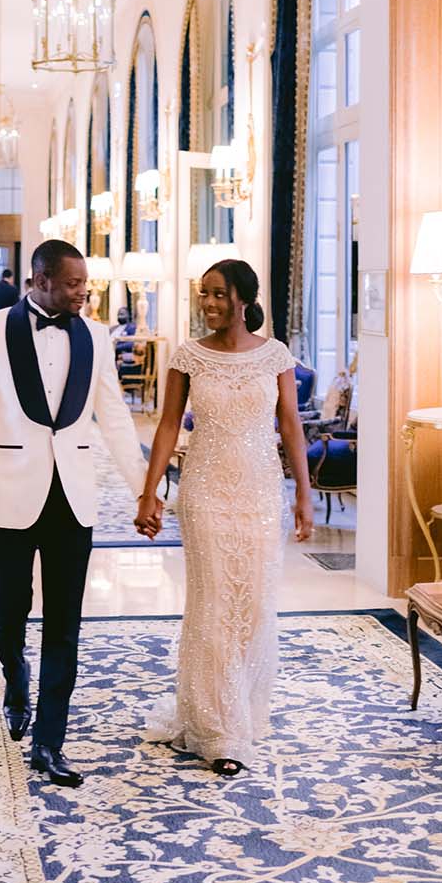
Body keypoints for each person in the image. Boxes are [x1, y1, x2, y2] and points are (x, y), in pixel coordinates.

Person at [0, 240, 161, 788]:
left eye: (85, 282)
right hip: (9, 495)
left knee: (65, 625)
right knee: (6, 613)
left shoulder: (93, 335)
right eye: (72, 283)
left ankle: (49, 742)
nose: (83, 291)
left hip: (74, 499)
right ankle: (16, 681)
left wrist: (144, 492)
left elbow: (112, 416)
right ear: (39, 281)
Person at [136, 259, 312, 778]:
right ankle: (218, 729)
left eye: (218, 294)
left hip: (260, 493)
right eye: (203, 294)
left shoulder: (275, 356)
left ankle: (243, 708)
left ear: (244, 298)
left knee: (254, 604)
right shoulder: (188, 356)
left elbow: (291, 427)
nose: (208, 303)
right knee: (214, 603)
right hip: (206, 492)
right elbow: (168, 426)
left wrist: (303, 493)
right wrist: (151, 494)